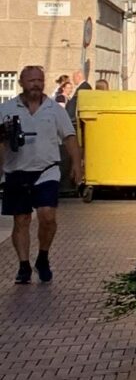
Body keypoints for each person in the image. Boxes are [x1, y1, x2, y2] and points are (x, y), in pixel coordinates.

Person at [2, 66, 80, 285]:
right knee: (21, 220)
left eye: (39, 80)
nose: (36, 84)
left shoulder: (54, 109)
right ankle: (23, 265)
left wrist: (77, 164)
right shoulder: (7, 109)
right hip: (16, 171)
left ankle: (43, 257)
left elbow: (70, 137)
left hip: (47, 171)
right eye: (31, 81)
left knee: (47, 217)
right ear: (21, 83)